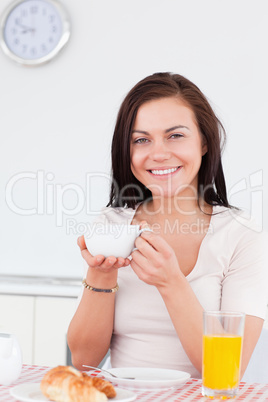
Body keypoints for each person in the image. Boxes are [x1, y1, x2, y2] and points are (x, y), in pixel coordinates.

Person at [67, 72, 268, 378]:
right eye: (141, 139)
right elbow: (83, 363)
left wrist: (171, 283)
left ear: (204, 142)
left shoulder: (242, 233)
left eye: (175, 135)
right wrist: (101, 274)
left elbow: (226, 371)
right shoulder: (112, 225)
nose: (158, 153)